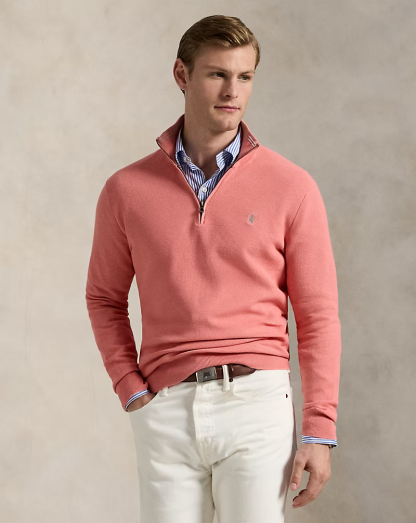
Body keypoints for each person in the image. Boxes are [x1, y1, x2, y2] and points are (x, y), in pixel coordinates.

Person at [85, 14, 341, 523]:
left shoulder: (292, 187)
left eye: (244, 76)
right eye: (217, 74)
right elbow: (104, 298)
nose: (232, 91)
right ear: (182, 75)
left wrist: (319, 429)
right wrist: (130, 387)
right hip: (164, 408)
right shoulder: (126, 191)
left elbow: (317, 315)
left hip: (257, 404)